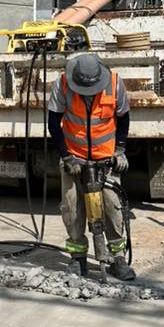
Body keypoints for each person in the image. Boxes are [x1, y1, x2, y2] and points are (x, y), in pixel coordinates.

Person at [47, 52, 136, 282]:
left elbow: (124, 118)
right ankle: (78, 258)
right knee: (72, 207)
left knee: (111, 206)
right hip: (74, 157)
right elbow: (53, 122)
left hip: (105, 157)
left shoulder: (115, 84)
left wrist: (120, 150)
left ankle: (117, 258)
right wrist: (66, 157)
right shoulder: (63, 84)